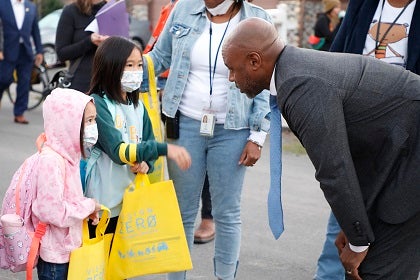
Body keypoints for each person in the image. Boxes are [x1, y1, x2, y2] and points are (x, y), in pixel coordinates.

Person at [222, 17, 420, 280]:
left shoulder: (300, 85)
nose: (231, 78)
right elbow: (353, 154)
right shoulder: (294, 69)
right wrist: (354, 227)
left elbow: (334, 170)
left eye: (232, 69)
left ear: (255, 61)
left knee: (375, 270)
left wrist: (358, 241)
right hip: (395, 158)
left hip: (409, 162)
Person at [146, 1, 271, 279]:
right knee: (183, 212)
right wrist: (124, 63)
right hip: (184, 124)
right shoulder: (183, 10)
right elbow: (159, 57)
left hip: (233, 128)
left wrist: (258, 135)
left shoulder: (257, 20)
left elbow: (264, 80)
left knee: (227, 213)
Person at [314, 0, 419, 279]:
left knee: (397, 224)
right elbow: (336, 59)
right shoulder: (364, 4)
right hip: (359, 131)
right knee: (344, 219)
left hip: (408, 136)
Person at [85, 36, 191, 235]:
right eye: (129, 65)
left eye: (139, 65)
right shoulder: (98, 104)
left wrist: (146, 163)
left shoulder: (138, 106)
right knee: (101, 260)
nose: (136, 72)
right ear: (110, 67)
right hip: (102, 204)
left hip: (131, 201)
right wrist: (165, 148)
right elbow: (119, 152)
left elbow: (148, 143)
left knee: (125, 262)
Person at [143, 0, 216, 244]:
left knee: (208, 166)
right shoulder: (173, 9)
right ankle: (176, 223)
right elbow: (156, 50)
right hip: (168, 88)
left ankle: (208, 218)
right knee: (184, 166)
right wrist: (129, 64)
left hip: (214, 110)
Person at [32, 88, 102, 279]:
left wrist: (85, 211)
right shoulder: (51, 161)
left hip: (68, 251)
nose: (93, 126)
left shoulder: (71, 155)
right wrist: (87, 205)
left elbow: (68, 201)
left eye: (94, 120)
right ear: (68, 124)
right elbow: (52, 211)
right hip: (55, 259)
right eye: (88, 121)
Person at [0, 0, 43, 124]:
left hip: (26, 51)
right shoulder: (2, 4)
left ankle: (19, 113)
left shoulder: (30, 7)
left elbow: (35, 30)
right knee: (4, 79)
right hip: (7, 51)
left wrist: (39, 51)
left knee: (24, 83)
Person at [55, 0, 109, 93]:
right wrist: (89, 41)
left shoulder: (112, 9)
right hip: (81, 87)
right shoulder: (71, 11)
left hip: (110, 83)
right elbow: (62, 53)